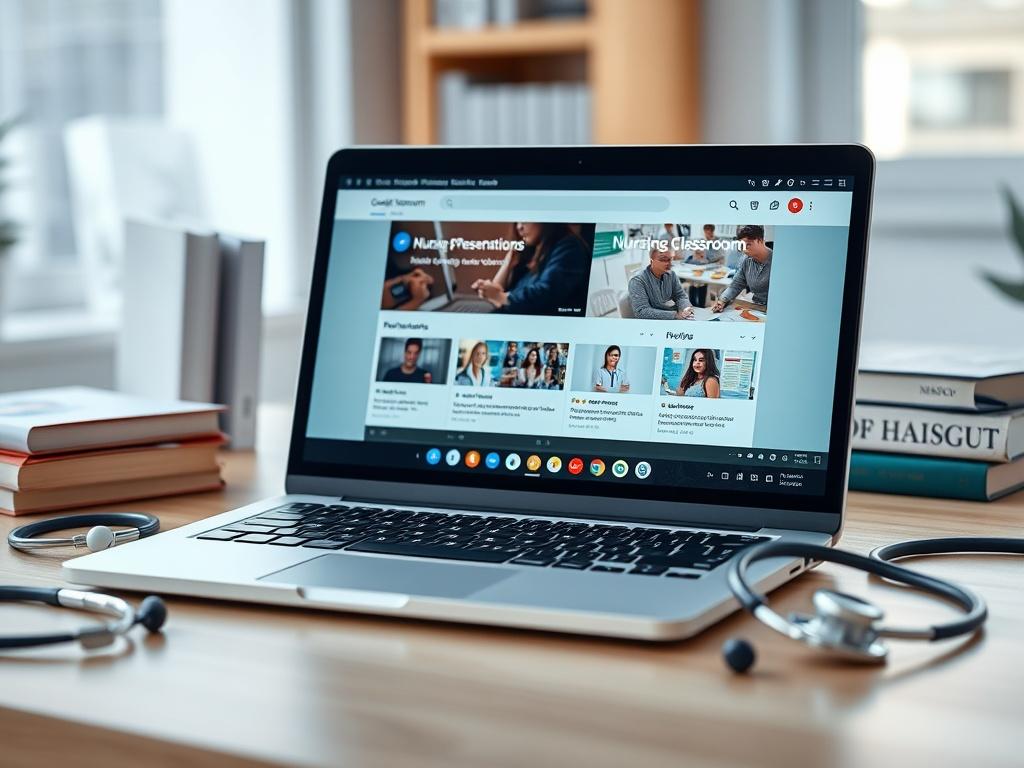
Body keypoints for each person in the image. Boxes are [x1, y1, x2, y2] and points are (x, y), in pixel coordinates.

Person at [471, 223, 590, 315]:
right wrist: (507, 263)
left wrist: (500, 297)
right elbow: (497, 296)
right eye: (517, 221)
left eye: (525, 220)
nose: (519, 227)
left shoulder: (569, 247)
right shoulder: (532, 253)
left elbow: (545, 294)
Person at [712, 224, 772, 312]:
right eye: (742, 245)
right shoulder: (746, 260)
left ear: (761, 241)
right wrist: (722, 300)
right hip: (757, 307)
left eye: (748, 245)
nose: (744, 250)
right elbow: (736, 285)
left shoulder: (776, 260)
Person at [627, 248, 694, 320]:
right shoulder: (637, 281)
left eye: (670, 259)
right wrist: (675, 315)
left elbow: (680, 296)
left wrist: (686, 308)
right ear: (651, 261)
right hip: (653, 323)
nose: (668, 263)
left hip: (671, 317)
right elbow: (641, 312)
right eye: (663, 260)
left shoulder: (671, 274)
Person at [684, 224, 726, 308]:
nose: (708, 235)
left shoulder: (718, 241)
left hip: (712, 268)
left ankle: (701, 306)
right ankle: (693, 306)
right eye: (706, 233)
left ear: (713, 231)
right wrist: (697, 254)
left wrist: (709, 260)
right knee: (694, 283)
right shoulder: (702, 241)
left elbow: (721, 257)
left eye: (709, 233)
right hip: (701, 267)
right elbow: (697, 255)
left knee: (702, 285)